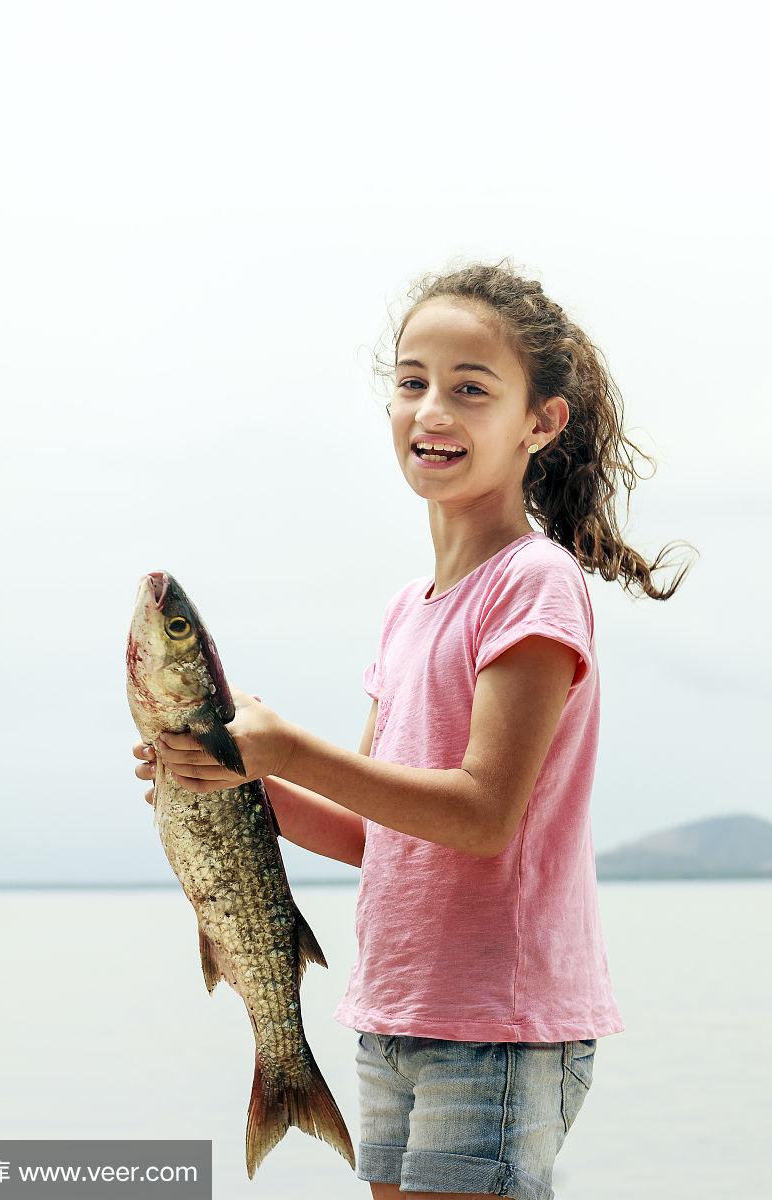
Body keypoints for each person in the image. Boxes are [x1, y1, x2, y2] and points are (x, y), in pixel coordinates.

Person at [131, 258, 695, 1200]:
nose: (432, 409)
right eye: (411, 382)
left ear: (539, 424)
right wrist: (239, 783)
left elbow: (481, 816)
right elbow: (370, 832)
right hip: (393, 1012)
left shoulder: (531, 585)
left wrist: (288, 749)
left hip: (499, 1024)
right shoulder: (408, 611)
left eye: (471, 389)